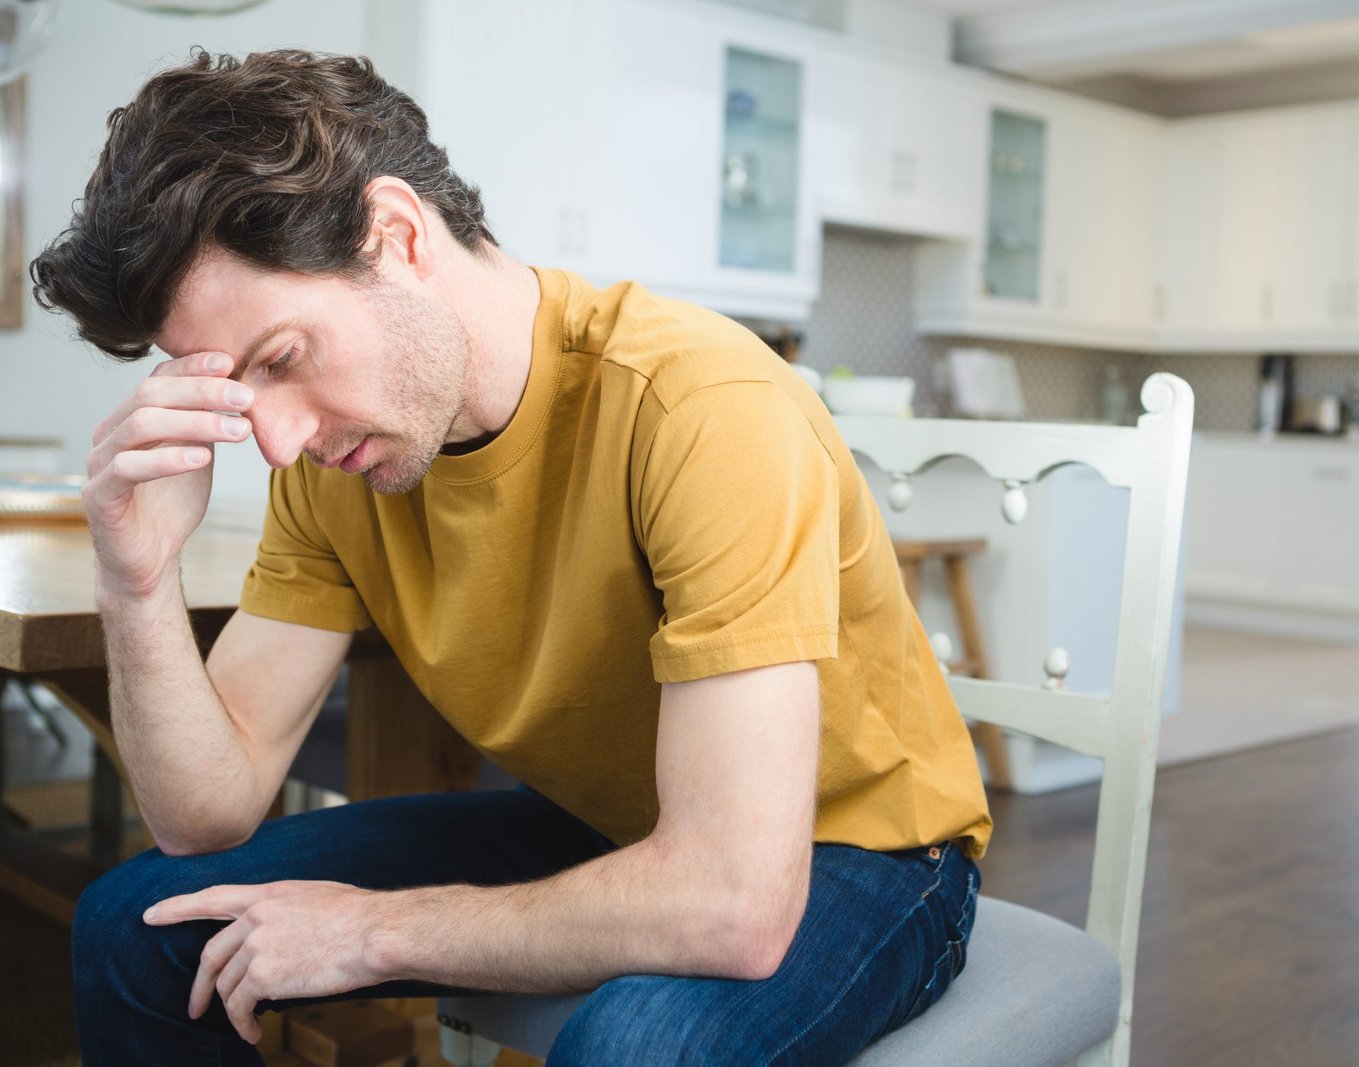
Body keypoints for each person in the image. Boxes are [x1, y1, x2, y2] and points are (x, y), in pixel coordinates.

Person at [32, 48, 991, 1066]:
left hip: (858, 850)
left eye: (281, 359)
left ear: (397, 235)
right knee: (144, 920)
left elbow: (730, 903)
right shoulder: (331, 459)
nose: (271, 438)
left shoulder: (703, 408)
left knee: (634, 1050)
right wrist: (134, 577)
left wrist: (365, 932)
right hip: (609, 821)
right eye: (238, 387)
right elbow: (203, 813)